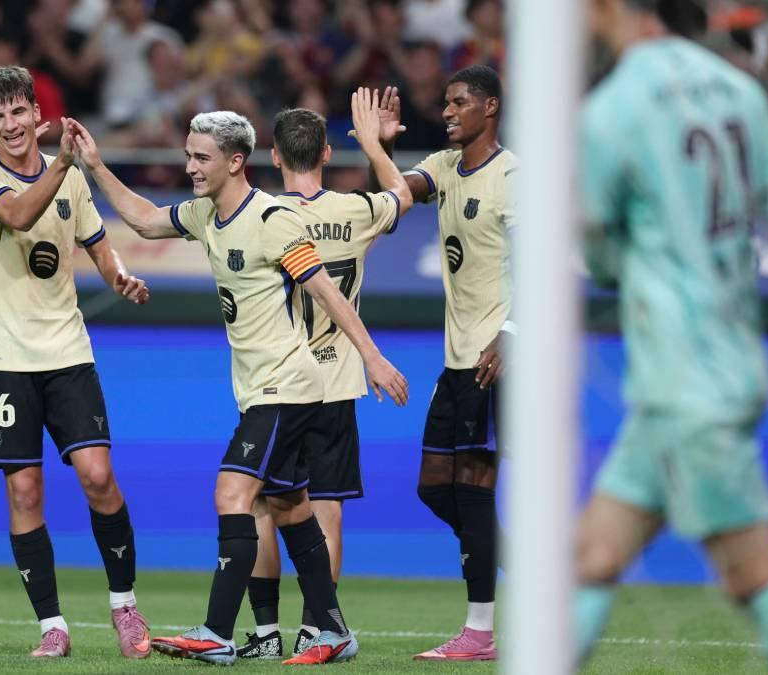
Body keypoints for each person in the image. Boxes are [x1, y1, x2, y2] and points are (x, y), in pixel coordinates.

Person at [575, 2, 768, 673]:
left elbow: (597, 259)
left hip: (684, 379)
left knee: (756, 572)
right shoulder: (738, 89)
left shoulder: (610, 110)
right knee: (592, 558)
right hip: (725, 365)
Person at [71, 110, 408, 665]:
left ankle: (217, 631)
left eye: (201, 158)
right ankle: (333, 631)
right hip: (258, 388)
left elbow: (325, 290)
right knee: (292, 505)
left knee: (233, 492)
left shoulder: (272, 218)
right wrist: (96, 167)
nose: (190, 167)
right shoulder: (207, 214)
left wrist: (372, 357)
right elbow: (148, 220)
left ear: (234, 161)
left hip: (288, 384)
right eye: (188, 155)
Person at [0, 64, 151, 659]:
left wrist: (119, 277)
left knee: (98, 478)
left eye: (19, 112)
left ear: (37, 116)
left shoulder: (69, 181)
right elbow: (17, 215)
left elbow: (97, 243)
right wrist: (64, 162)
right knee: (26, 494)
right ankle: (53, 626)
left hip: (67, 352)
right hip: (4, 358)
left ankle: (125, 608)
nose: (11, 124)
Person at [237, 88, 413, 660]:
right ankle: (319, 630)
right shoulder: (353, 211)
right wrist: (377, 145)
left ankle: (265, 633)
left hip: (279, 381)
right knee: (326, 509)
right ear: (328, 152)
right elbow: (401, 194)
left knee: (263, 504)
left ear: (273, 154)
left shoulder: (260, 214)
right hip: (337, 383)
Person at [374, 64, 516, 661]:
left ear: (490, 106)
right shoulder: (441, 166)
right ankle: (526, 572)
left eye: (460, 102)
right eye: (446, 103)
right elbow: (397, 198)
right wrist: (376, 146)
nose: (448, 111)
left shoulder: (516, 177)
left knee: (476, 490)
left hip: (496, 359)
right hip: (456, 361)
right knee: (435, 488)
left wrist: (513, 333)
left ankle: (480, 634)